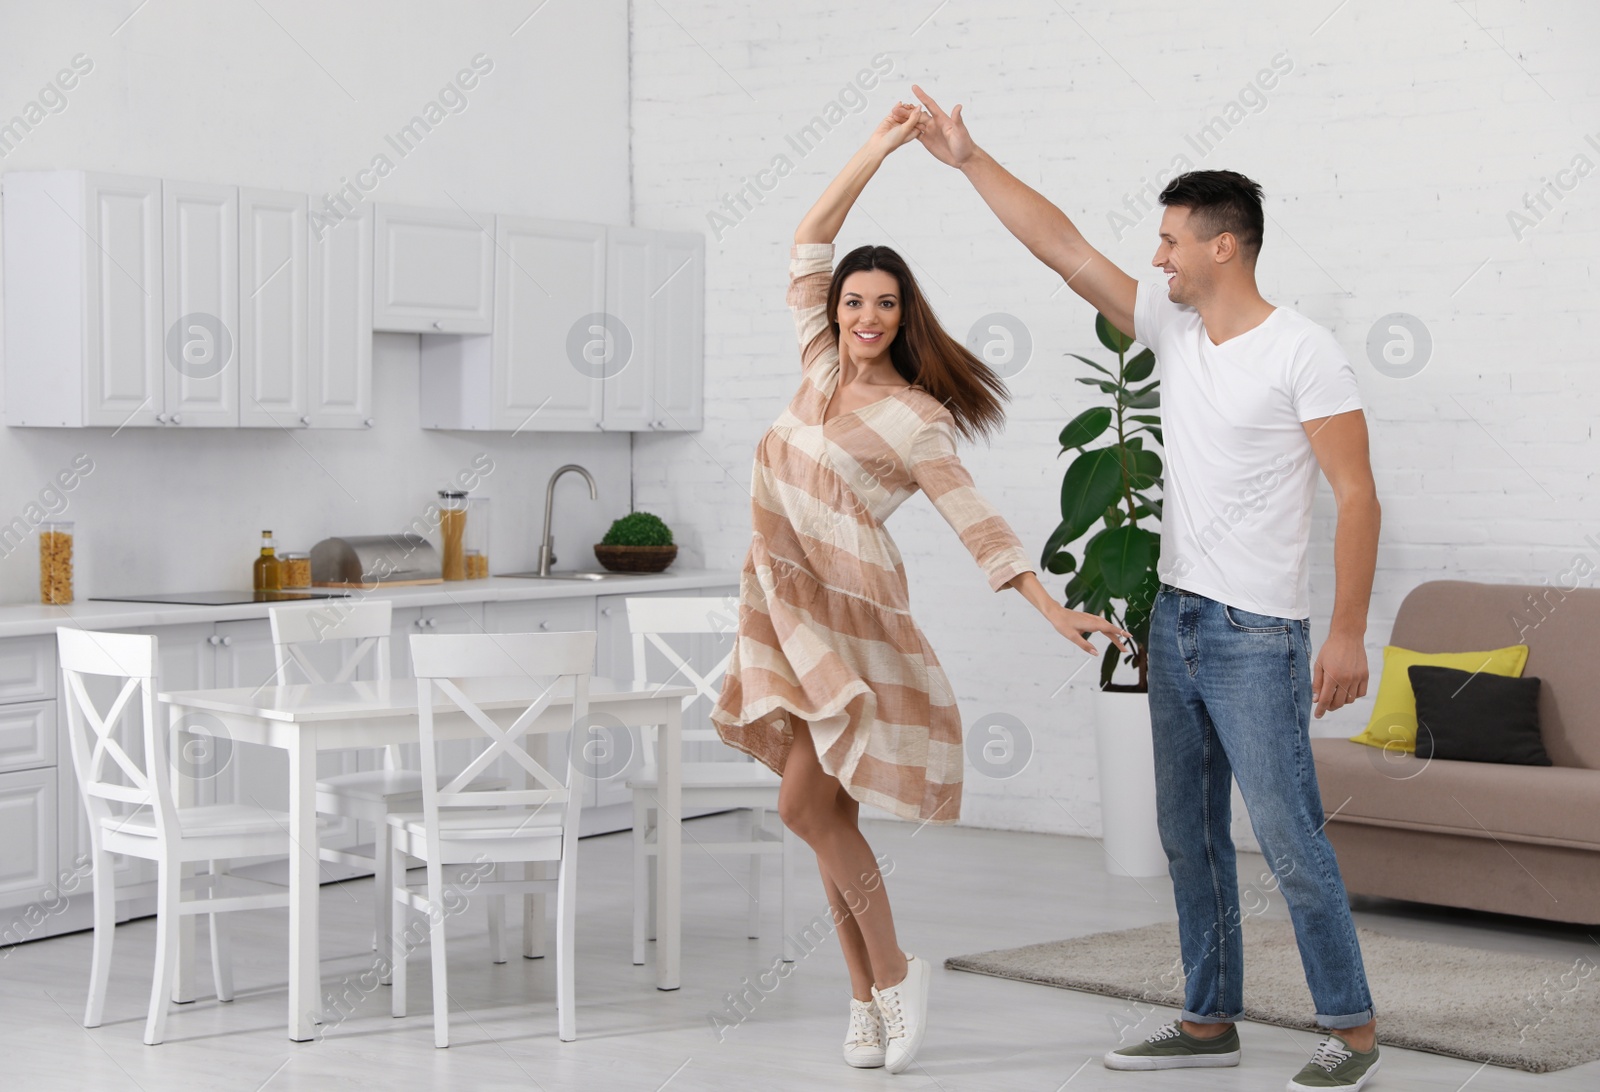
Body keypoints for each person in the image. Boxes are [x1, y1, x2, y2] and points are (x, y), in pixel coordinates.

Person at [906, 87, 1384, 1092]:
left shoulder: (1302, 351)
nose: (1156, 257)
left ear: (1224, 247)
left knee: (1289, 836)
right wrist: (967, 158)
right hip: (1176, 621)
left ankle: (1348, 1025)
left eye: (1171, 241)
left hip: (1260, 634)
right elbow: (1062, 246)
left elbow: (1356, 495)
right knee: (1186, 834)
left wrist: (1346, 634)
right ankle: (1209, 1016)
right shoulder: (1172, 333)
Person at [710, 105, 1131, 1075]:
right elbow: (809, 236)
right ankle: (863, 1001)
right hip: (782, 615)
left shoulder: (915, 418)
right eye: (854, 302)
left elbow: (973, 518)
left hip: (851, 626)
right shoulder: (815, 372)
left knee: (802, 811)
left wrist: (1046, 602)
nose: (864, 317)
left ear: (905, 319)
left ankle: (895, 973)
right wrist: (883, 146)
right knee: (826, 818)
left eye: (884, 306)